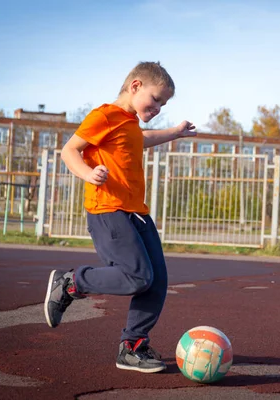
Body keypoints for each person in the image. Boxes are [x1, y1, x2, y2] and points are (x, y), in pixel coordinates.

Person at [43, 61, 196, 373]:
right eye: (155, 100)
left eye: (163, 104)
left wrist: (175, 132)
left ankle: (133, 347)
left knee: (157, 282)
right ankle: (70, 283)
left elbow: (143, 139)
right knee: (137, 276)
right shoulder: (104, 115)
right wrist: (89, 173)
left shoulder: (128, 123)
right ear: (136, 86)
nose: (157, 108)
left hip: (137, 213)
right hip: (108, 209)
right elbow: (69, 151)